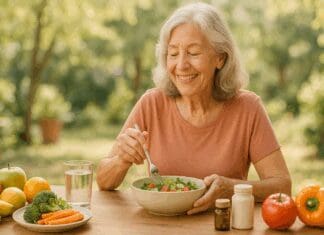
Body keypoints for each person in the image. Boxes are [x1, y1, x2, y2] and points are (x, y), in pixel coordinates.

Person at [96, 2, 291, 215]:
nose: (181, 65)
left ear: (220, 58)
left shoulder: (248, 108)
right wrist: (121, 160)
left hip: (222, 225)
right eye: (173, 53)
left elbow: (282, 187)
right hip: (159, 227)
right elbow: (104, 181)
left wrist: (232, 188)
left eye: (193, 53)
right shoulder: (152, 103)